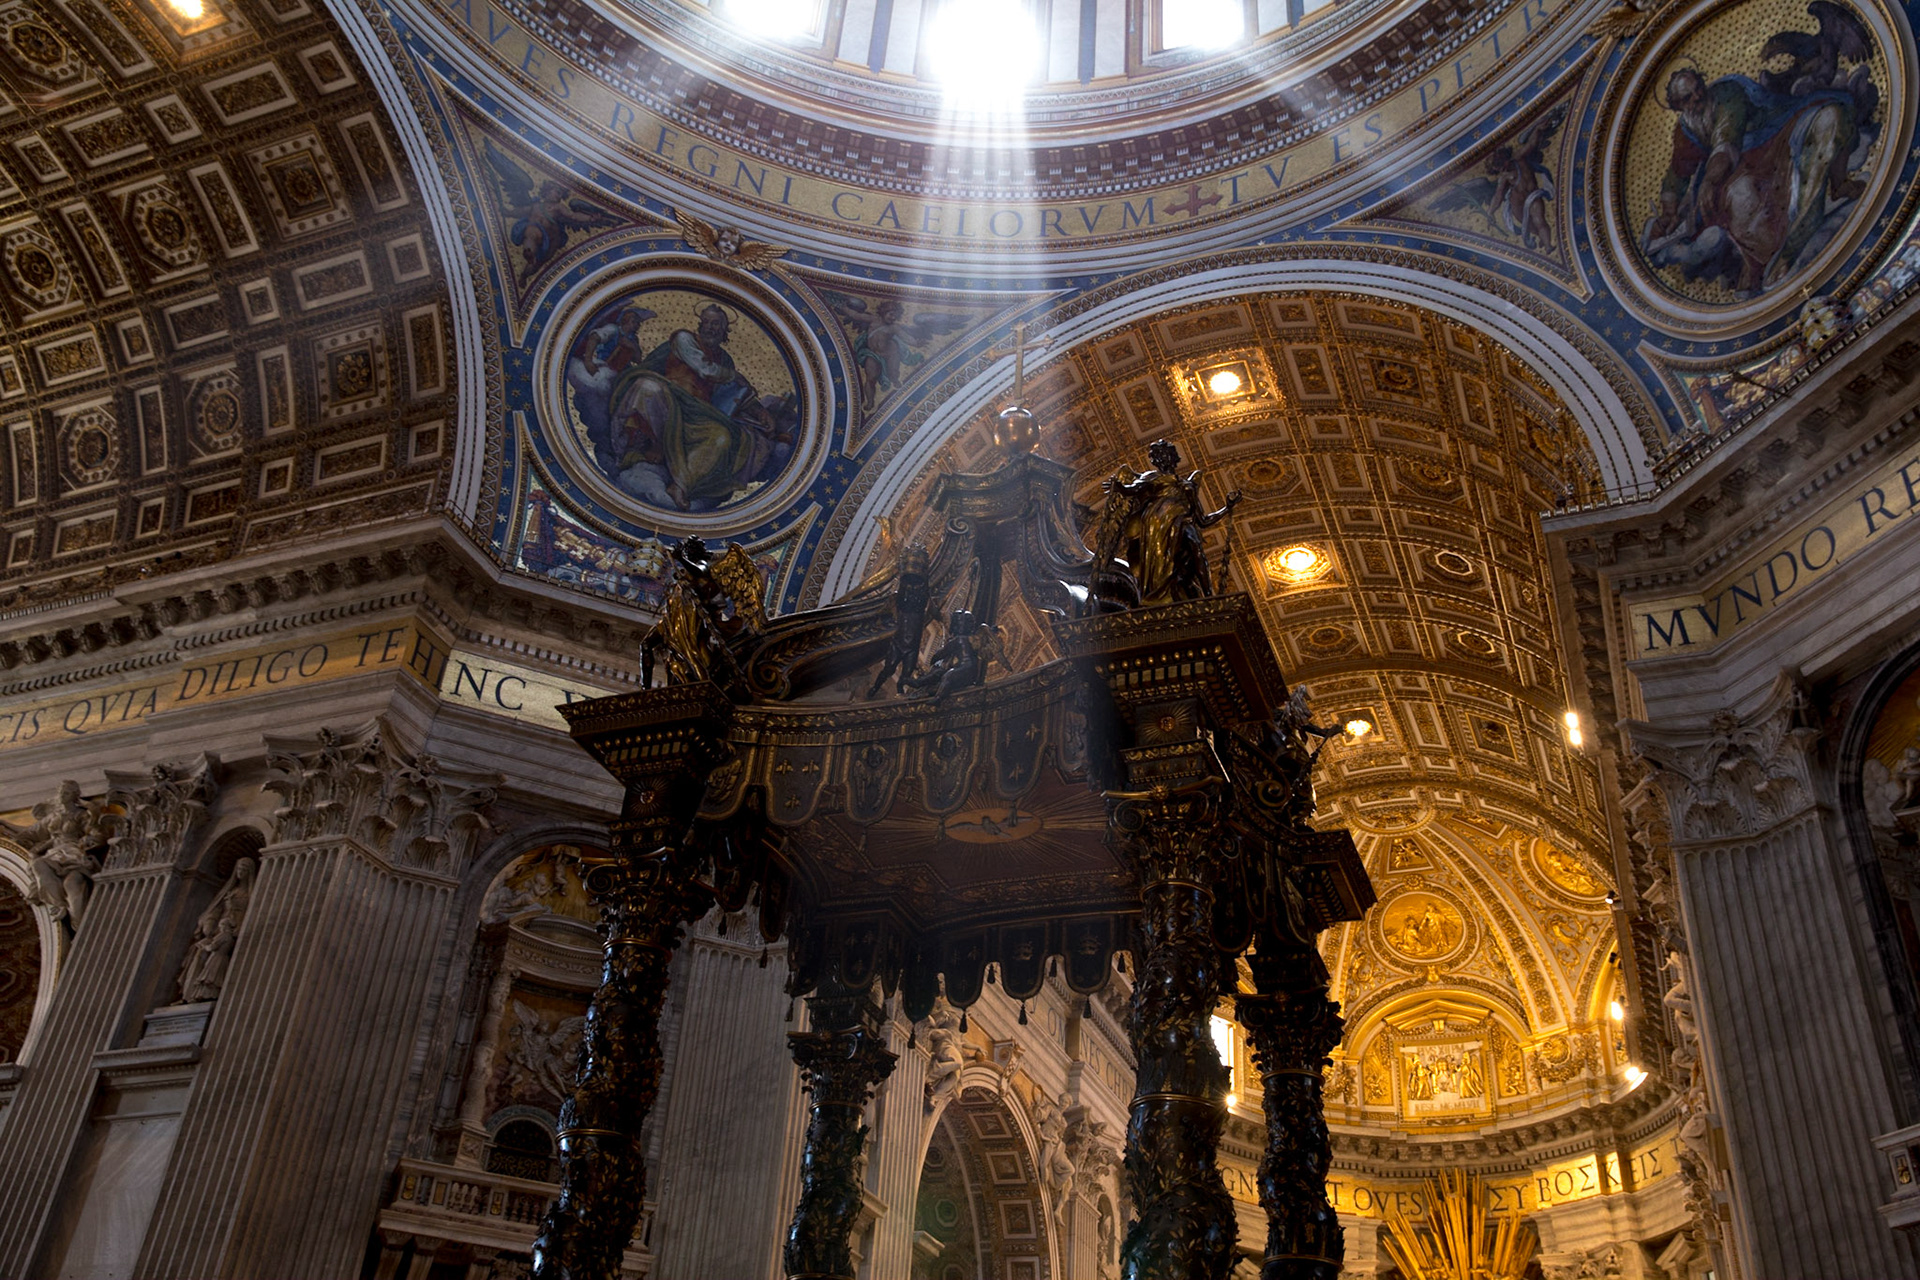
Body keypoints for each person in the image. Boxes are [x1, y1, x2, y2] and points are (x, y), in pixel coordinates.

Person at [1100, 440, 1239, 605]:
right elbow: (1134, 488)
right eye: (1159, 456)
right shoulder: (1152, 477)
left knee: (1196, 548)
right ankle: (1157, 591)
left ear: (1174, 457)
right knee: (1162, 559)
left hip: (1181, 521)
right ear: (1156, 461)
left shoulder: (1188, 486)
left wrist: (1227, 507)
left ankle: (1209, 596)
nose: (1163, 458)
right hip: (1157, 524)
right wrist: (1119, 487)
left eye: (1166, 454)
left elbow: (1203, 520)